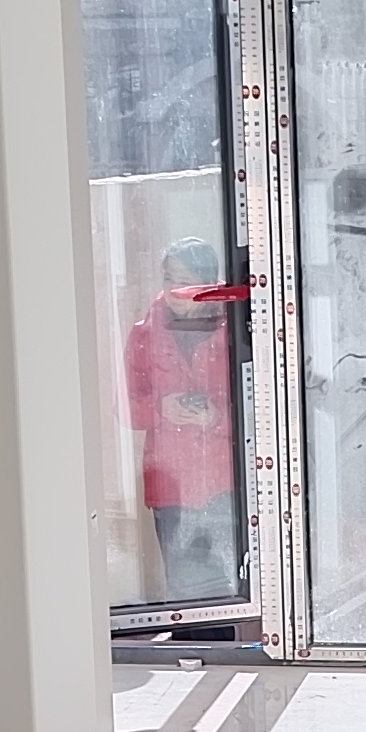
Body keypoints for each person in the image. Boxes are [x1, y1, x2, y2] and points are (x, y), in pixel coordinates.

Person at [123, 240, 242, 602]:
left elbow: (260, 407)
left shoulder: (238, 329)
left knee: (234, 589)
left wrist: (217, 417)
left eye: (185, 281)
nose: (174, 289)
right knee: (186, 594)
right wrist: (161, 408)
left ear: (207, 283)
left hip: (226, 482)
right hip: (170, 485)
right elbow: (123, 407)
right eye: (168, 278)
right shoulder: (144, 334)